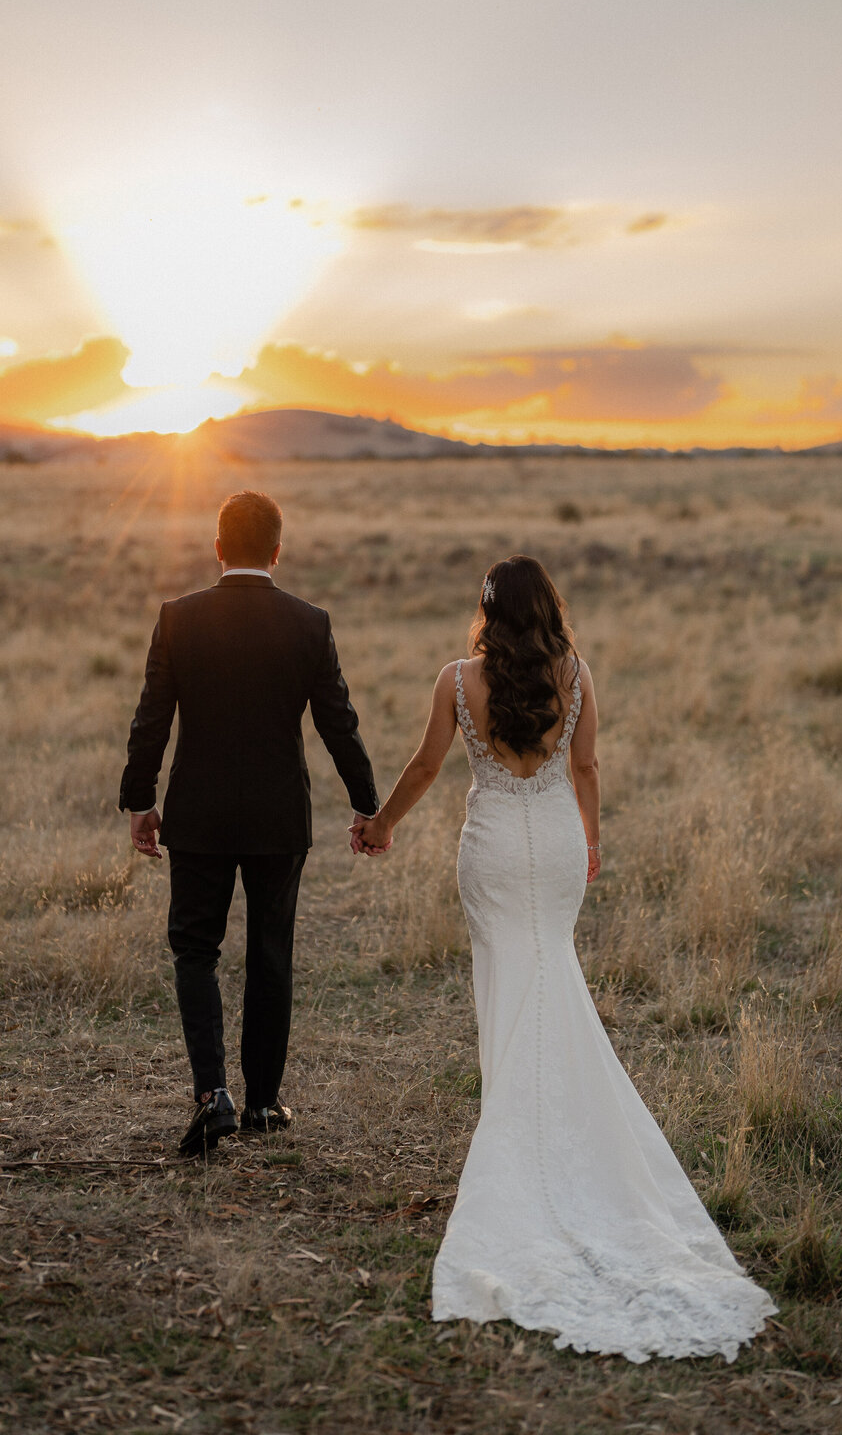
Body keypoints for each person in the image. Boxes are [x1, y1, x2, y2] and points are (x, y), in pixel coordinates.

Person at [350, 555, 775, 1364]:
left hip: (494, 849)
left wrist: (381, 825)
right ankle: (546, 1137)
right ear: (547, 607)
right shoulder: (575, 675)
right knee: (551, 982)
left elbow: (427, 767)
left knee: (509, 987)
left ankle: (517, 1140)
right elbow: (585, 767)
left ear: (485, 610)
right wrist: (593, 839)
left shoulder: (454, 680)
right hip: (553, 843)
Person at [119, 490, 379, 1156]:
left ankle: (214, 1096)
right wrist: (366, 802)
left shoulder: (179, 619)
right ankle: (263, 1102)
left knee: (195, 949)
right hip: (277, 815)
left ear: (216, 548)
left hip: (199, 814)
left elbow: (152, 717)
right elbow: (337, 722)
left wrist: (139, 800)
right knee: (270, 953)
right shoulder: (308, 623)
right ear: (276, 551)